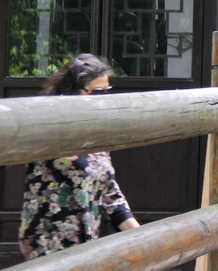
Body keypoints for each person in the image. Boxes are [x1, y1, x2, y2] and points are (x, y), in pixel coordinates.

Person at [18, 54, 140, 259]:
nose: (103, 98)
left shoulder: (98, 133)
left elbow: (110, 194)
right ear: (72, 90)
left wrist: (143, 238)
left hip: (84, 245)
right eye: (97, 92)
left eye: (107, 91)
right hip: (47, 243)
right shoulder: (47, 125)